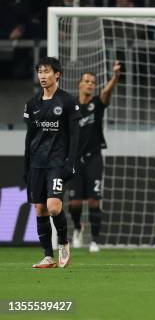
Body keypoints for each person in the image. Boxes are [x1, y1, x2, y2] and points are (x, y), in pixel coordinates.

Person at [24, 57, 81, 268]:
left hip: (57, 162)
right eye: (40, 72)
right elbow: (30, 137)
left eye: (46, 71)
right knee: (40, 209)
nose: (42, 76)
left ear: (57, 74)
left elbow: (75, 136)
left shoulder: (67, 101)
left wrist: (71, 162)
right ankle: (48, 256)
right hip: (37, 163)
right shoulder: (32, 104)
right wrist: (26, 166)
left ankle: (64, 243)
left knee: (54, 207)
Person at [68, 61, 121, 253]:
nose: (90, 84)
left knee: (94, 200)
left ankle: (95, 241)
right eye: (87, 81)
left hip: (94, 158)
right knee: (74, 203)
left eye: (93, 82)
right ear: (79, 84)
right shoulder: (70, 106)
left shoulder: (97, 104)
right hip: (74, 160)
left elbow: (106, 93)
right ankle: (77, 228)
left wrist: (115, 77)